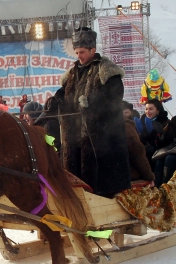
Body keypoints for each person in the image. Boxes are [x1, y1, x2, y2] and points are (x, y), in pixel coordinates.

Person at [52, 27, 131, 197]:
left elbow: (115, 97)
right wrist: (58, 98)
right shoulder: (72, 74)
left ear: (93, 50)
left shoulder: (107, 71)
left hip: (102, 139)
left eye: (82, 52)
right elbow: (66, 95)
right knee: (77, 174)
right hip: (76, 136)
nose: (79, 56)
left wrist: (92, 104)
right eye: (77, 52)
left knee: (100, 182)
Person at [123, 107, 155, 185]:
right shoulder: (127, 127)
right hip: (126, 177)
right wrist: (149, 176)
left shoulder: (95, 126)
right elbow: (137, 155)